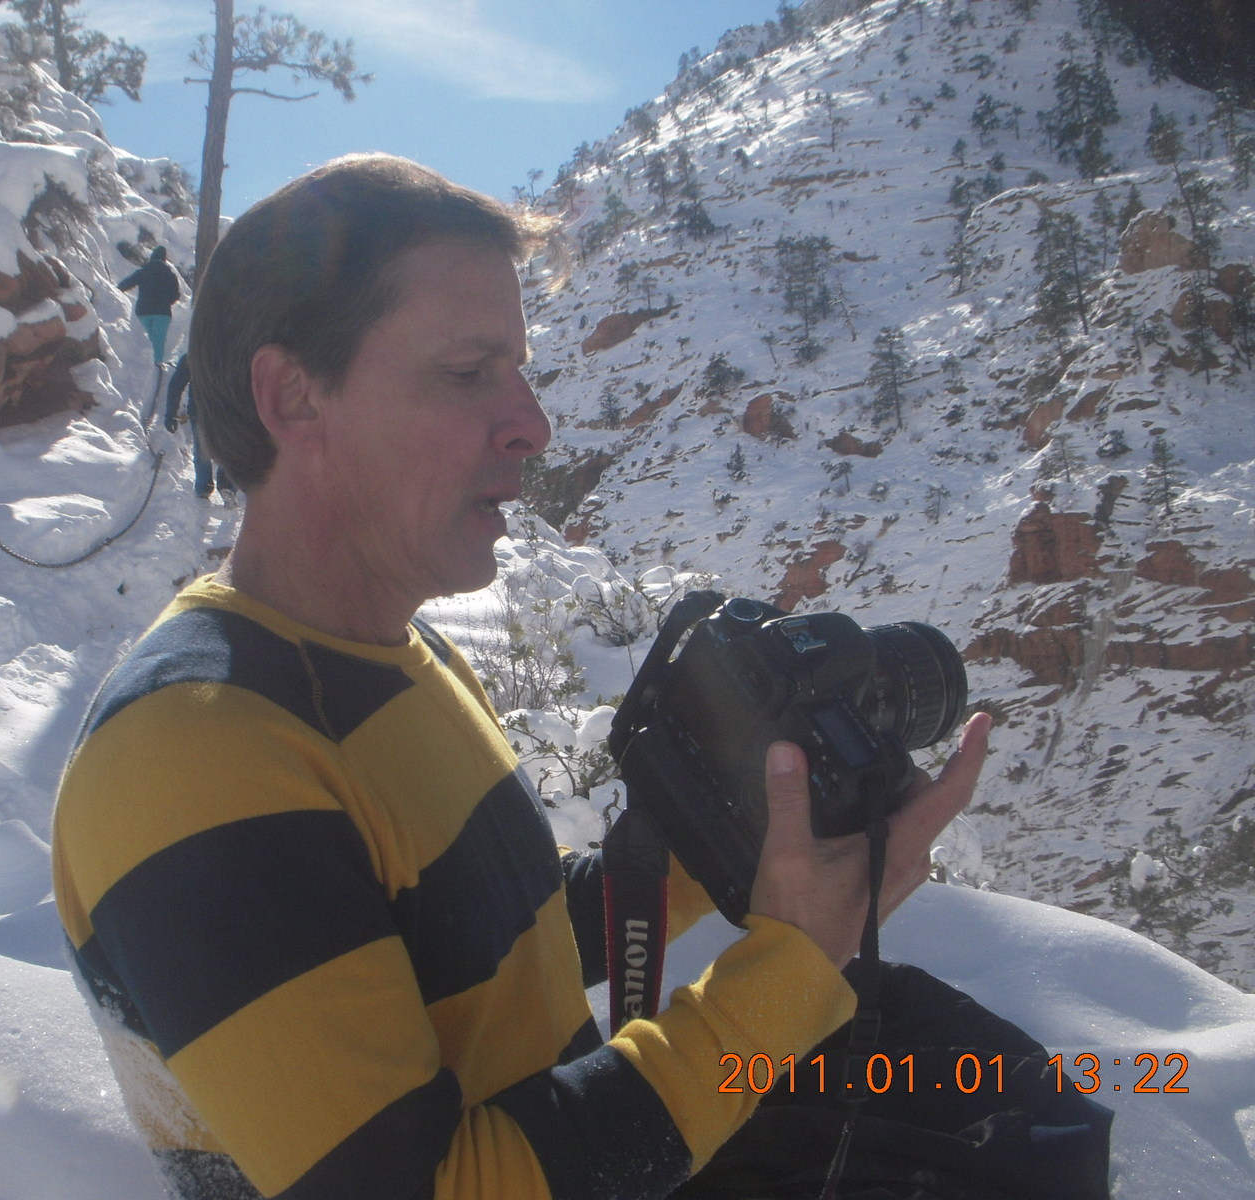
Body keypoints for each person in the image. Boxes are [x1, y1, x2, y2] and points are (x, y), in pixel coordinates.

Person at [51, 154, 992, 1200]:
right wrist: (794, 968)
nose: (533, 424)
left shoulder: (396, 655)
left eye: (520, 370)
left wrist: (717, 838)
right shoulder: (194, 752)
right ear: (293, 396)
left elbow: (494, 946)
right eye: (468, 373)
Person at [164, 353, 234, 498]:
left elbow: (176, 385)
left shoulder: (194, 354)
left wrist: (170, 414)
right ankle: (224, 487)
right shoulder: (229, 353)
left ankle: (206, 487)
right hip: (221, 412)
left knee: (204, 450)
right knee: (226, 450)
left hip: (206, 411)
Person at [118, 244, 182, 365]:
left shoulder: (144, 271)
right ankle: (157, 365)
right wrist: (166, 301)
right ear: (164, 259)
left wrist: (116, 289)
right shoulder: (170, 275)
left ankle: (143, 364)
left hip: (143, 311)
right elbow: (175, 295)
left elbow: (128, 283)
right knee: (158, 341)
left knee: (148, 340)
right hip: (162, 312)